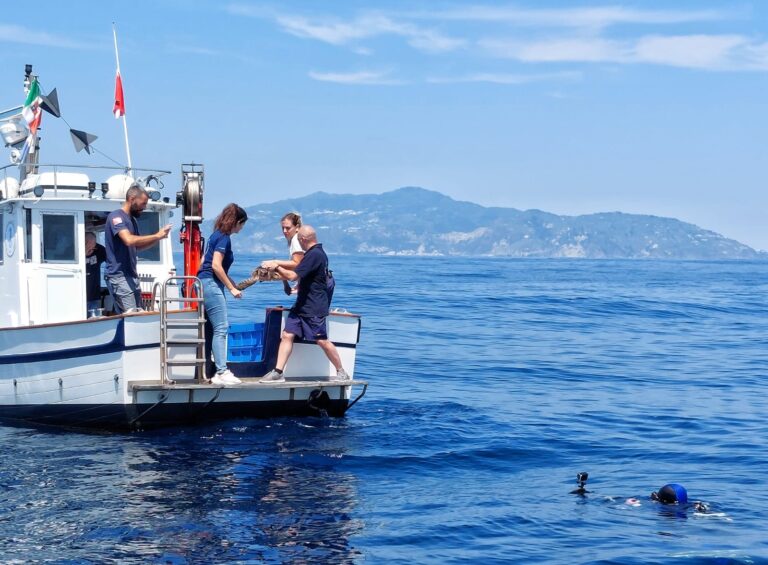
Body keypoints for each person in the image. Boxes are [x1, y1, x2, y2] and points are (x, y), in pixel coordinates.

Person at [259, 225, 349, 383]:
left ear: (302, 239)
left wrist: (276, 266)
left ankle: (341, 372)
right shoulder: (314, 254)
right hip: (301, 305)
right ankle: (278, 372)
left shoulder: (315, 255)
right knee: (287, 335)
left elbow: (293, 276)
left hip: (314, 307)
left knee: (321, 340)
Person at [198, 203, 248, 386]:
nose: (242, 228)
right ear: (238, 222)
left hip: (205, 283)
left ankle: (209, 369)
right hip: (211, 283)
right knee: (221, 327)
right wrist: (231, 289)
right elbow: (215, 266)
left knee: (210, 329)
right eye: (242, 224)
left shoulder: (215, 235)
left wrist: (231, 283)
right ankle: (221, 372)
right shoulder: (224, 238)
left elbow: (204, 262)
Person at [105, 185, 172, 313]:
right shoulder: (116, 217)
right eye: (143, 203)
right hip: (118, 276)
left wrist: (159, 238)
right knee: (131, 318)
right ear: (132, 199)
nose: (144, 207)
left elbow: (138, 246)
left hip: (132, 276)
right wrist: (156, 235)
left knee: (137, 315)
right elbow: (129, 240)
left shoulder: (132, 221)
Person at [261, 212, 304, 296]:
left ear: (297, 227)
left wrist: (275, 262)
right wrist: (285, 283)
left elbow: (297, 264)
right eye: (283, 228)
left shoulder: (296, 240)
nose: (284, 231)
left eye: (288, 228)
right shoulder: (294, 239)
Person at [85, 232, 106, 312]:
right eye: (90, 244)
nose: (93, 247)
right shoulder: (74, 249)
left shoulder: (99, 249)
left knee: (93, 317)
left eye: (94, 244)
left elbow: (112, 261)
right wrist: (83, 254)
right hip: (77, 293)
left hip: (93, 294)